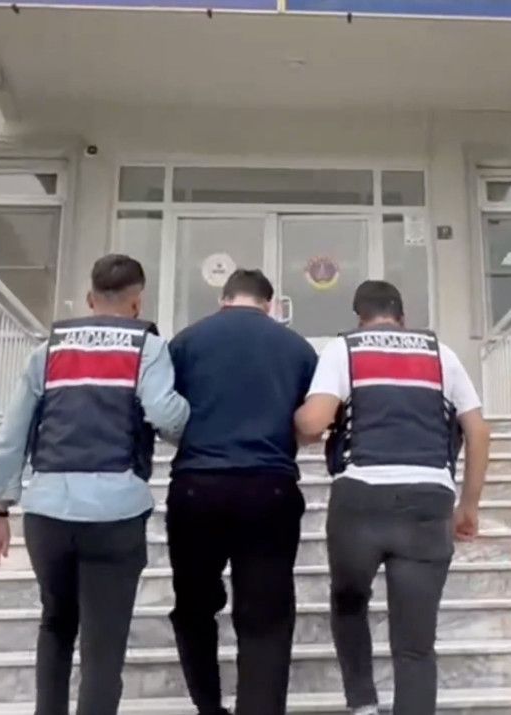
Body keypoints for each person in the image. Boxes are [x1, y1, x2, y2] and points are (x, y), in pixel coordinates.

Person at [0, 254, 189, 715]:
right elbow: (164, 414)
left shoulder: (47, 351)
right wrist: (188, 421)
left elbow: (11, 436)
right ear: (138, 302)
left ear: (91, 299)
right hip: (116, 513)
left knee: (55, 624)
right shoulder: (148, 347)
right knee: (103, 645)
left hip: (47, 513)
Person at [294, 280, 491, 715]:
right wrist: (469, 506)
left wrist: (294, 420)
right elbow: (478, 431)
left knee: (349, 603)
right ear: (402, 317)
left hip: (360, 502)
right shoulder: (442, 354)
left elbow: (314, 422)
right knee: (415, 644)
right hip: (428, 503)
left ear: (359, 316)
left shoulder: (345, 350)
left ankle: (363, 704)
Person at [166, 269, 319, 715]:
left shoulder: (186, 342)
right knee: (266, 616)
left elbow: (165, 410)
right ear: (270, 305)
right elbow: (310, 422)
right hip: (270, 486)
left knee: (193, 607)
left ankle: (209, 707)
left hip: (197, 486)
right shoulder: (297, 347)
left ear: (224, 298)